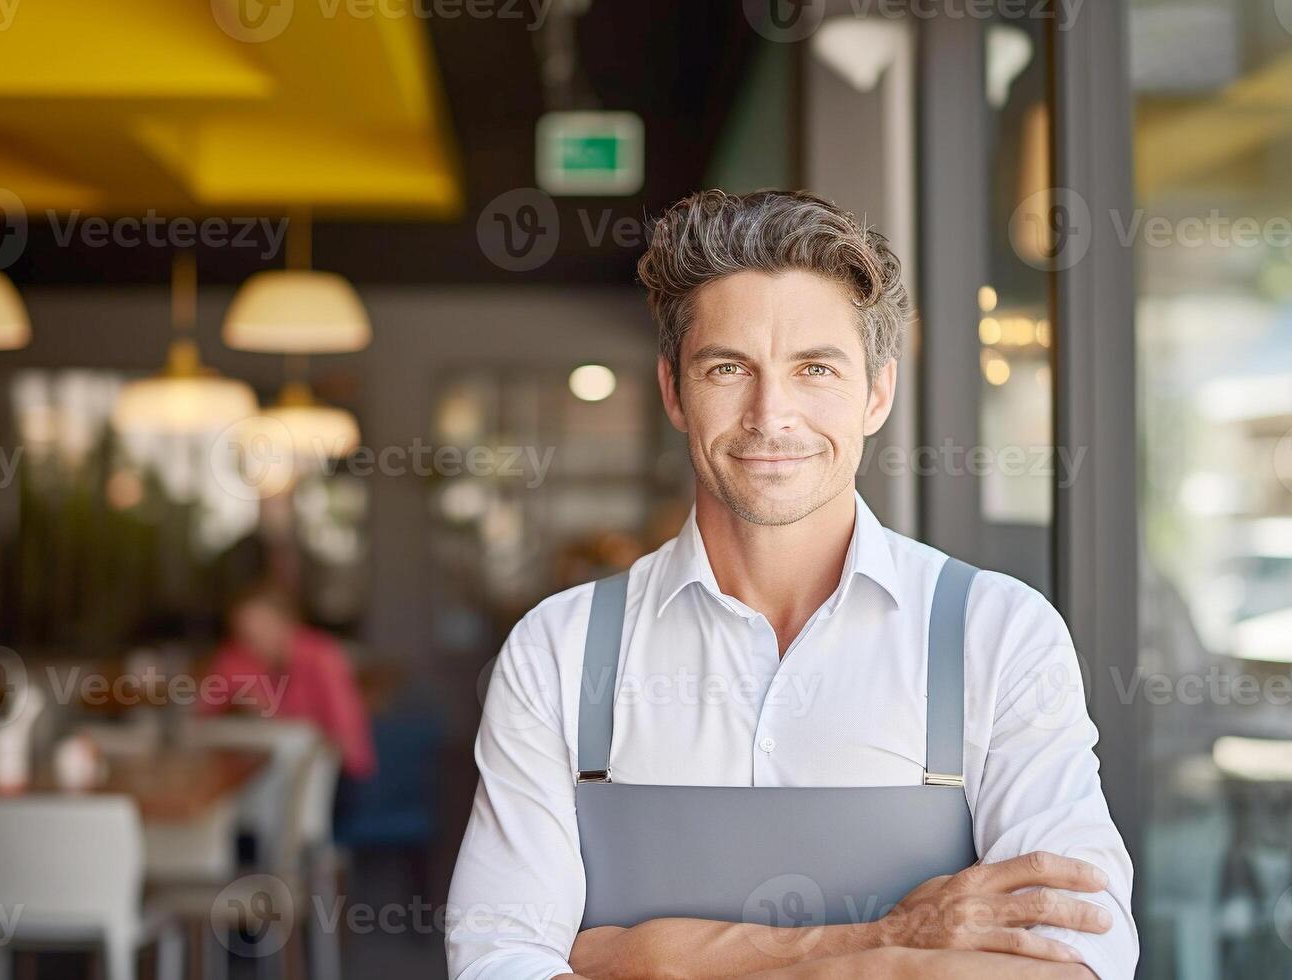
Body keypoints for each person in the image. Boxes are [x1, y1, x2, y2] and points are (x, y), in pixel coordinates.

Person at [446, 191, 1136, 980]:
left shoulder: (1000, 633)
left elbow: (1076, 958)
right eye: (728, 368)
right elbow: (497, 962)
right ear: (674, 390)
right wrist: (880, 946)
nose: (770, 415)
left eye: (814, 368)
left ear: (876, 393)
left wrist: (647, 956)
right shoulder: (558, 649)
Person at [201, 583, 375, 779]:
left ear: (287, 623)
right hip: (268, 772)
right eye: (244, 632)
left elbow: (345, 736)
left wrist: (281, 721)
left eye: (262, 627)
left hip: (337, 773)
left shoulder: (322, 657)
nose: (253, 638)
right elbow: (202, 716)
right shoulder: (236, 657)